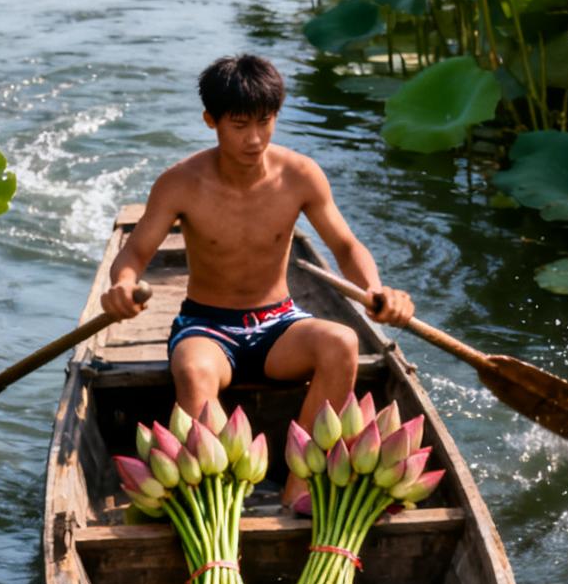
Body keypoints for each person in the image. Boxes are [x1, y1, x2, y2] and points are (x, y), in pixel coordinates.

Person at [100, 54, 414, 503]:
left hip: (278, 325)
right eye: (239, 125)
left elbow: (346, 246)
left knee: (342, 342)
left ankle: (300, 487)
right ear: (211, 121)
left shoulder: (300, 174)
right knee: (192, 370)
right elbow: (133, 253)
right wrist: (123, 285)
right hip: (207, 327)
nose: (254, 139)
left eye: (265, 122)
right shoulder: (180, 182)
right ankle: (215, 502)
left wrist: (374, 289)